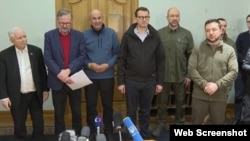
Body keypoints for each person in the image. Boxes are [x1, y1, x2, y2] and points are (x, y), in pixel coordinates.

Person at [117, 7, 165, 139]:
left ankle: (144, 134)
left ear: (148, 18)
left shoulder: (155, 36)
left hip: (150, 81)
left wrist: (159, 82)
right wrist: (121, 81)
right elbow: (121, 59)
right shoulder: (128, 36)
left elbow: (161, 60)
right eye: (141, 17)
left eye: (146, 17)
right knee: (131, 111)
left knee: (145, 111)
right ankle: (131, 135)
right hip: (131, 81)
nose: (144, 20)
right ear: (136, 18)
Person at [0, 27, 49, 141]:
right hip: (17, 96)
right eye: (19, 38)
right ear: (12, 40)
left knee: (39, 123)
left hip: (35, 94)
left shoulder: (36, 51)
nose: (23, 40)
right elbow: (1, 78)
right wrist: (4, 97)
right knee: (19, 123)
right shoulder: (4, 55)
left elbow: (42, 72)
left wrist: (45, 89)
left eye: (24, 36)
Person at [44, 8, 86, 139]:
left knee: (77, 111)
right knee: (59, 112)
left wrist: (68, 70)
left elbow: (82, 56)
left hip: (74, 79)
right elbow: (48, 58)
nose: (65, 25)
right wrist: (59, 74)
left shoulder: (79, 35)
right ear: (57, 21)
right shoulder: (49, 35)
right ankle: (60, 136)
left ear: (71, 22)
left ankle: (78, 135)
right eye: (62, 22)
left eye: (67, 23)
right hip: (57, 81)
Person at [152, 7, 194, 136]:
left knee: (180, 103)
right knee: (162, 103)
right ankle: (160, 124)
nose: (174, 18)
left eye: (177, 16)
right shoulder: (159, 33)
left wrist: (188, 74)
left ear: (179, 18)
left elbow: (191, 56)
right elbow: (154, 56)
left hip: (180, 76)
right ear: (167, 18)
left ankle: (179, 125)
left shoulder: (187, 34)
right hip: (163, 76)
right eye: (172, 16)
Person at [188, 19, 238, 124]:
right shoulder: (198, 48)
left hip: (219, 96)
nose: (210, 33)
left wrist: (217, 85)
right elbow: (191, 69)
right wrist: (205, 84)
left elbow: (234, 71)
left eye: (214, 29)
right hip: (199, 96)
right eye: (207, 30)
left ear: (221, 30)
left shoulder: (229, 50)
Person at [82, 9, 120, 141]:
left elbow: (117, 53)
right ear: (90, 20)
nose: (97, 21)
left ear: (102, 19)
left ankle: (108, 130)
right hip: (90, 77)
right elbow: (82, 55)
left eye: (99, 18)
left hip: (107, 76)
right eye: (94, 18)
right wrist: (89, 65)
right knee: (91, 105)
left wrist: (108, 65)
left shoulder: (111, 33)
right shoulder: (84, 35)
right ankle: (92, 130)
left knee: (107, 105)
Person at [233, 14, 250, 125]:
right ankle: (237, 118)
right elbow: (236, 52)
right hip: (241, 72)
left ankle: (247, 119)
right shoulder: (241, 36)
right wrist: (242, 60)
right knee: (239, 96)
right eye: (248, 21)